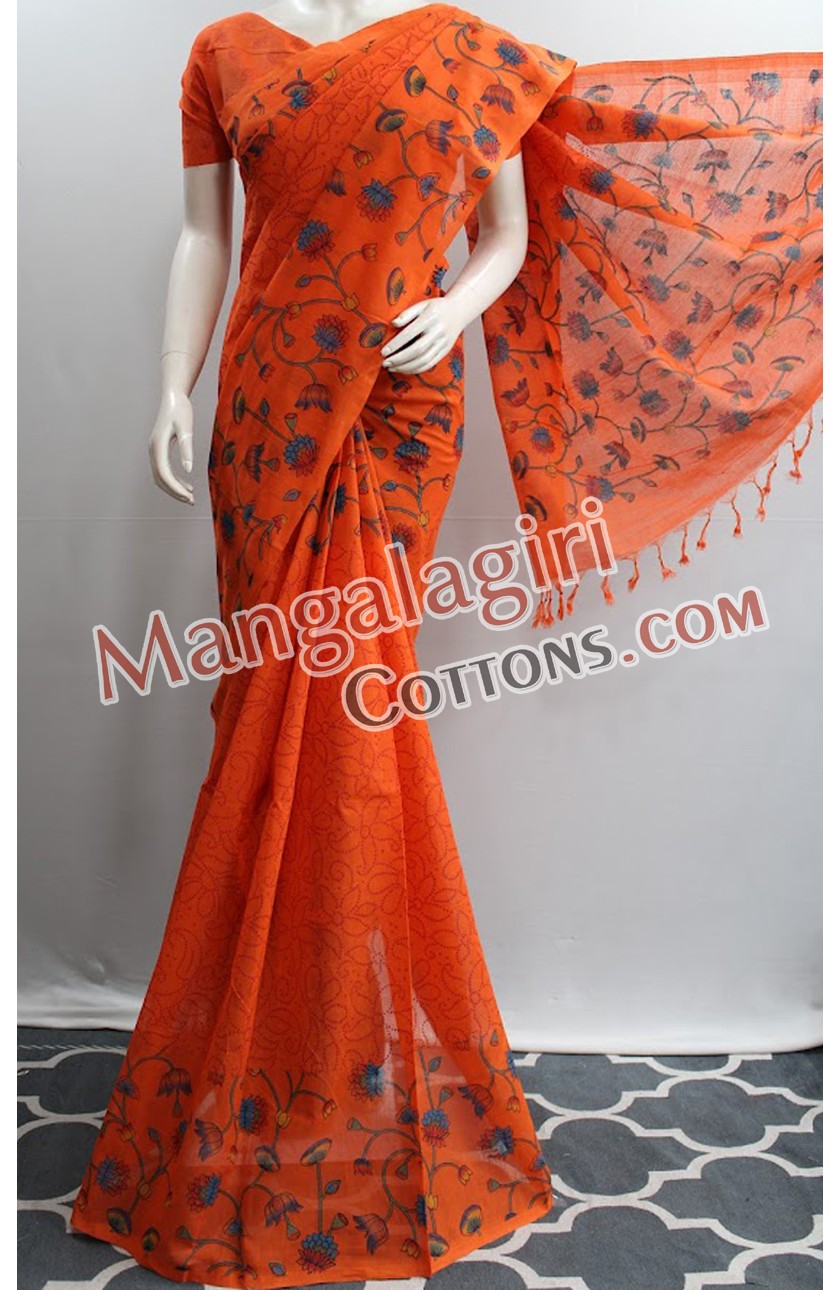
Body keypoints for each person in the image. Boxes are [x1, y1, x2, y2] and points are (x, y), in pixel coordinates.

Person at [70, 3, 822, 1285]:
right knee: (263, 716)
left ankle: (335, 1065)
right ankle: (272, 1059)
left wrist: (450, 309)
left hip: (402, 404)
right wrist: (168, 390)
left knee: (352, 712)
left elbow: (505, 238)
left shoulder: (466, 53)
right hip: (268, 405)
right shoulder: (223, 54)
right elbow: (207, 235)